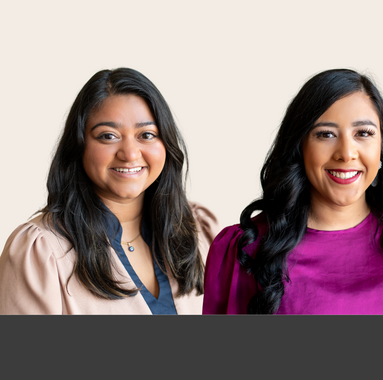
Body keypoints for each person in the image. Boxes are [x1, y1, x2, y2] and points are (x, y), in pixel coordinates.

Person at [203, 68, 383, 314]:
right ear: (300, 146)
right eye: (325, 134)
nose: (346, 153)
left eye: (363, 133)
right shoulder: (245, 249)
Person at [0, 67, 219, 314]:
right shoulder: (41, 252)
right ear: (79, 145)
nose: (130, 154)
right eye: (108, 136)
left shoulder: (200, 231)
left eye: (146, 134)